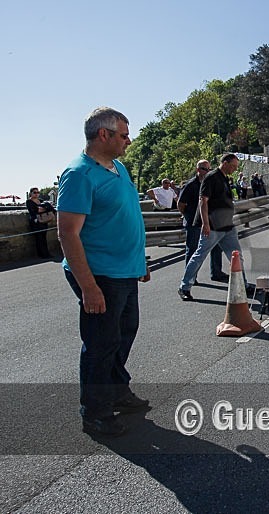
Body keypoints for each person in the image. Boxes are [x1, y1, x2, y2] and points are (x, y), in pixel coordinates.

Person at [57, 107, 151, 437]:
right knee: (101, 342)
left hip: (125, 270)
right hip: (100, 274)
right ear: (104, 135)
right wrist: (88, 287)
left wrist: (139, 261)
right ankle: (95, 412)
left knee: (125, 331)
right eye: (124, 135)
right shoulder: (79, 174)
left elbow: (125, 217)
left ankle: (116, 390)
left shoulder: (118, 168)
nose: (129, 140)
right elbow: (68, 232)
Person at [178, 153, 253, 300]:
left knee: (237, 257)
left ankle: (243, 284)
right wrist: (205, 223)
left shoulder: (224, 178)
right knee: (199, 256)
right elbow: (203, 201)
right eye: (233, 166)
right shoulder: (211, 177)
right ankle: (184, 287)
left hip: (227, 225)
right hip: (212, 226)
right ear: (225, 163)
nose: (234, 169)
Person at [177, 160, 227, 282]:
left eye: (209, 169)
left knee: (216, 247)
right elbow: (180, 204)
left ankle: (216, 272)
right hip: (194, 223)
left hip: (209, 220)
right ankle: (190, 277)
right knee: (193, 250)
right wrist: (187, 215)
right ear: (198, 170)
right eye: (205, 169)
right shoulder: (190, 185)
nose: (208, 172)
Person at [26, 187, 54, 258]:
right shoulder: (29, 201)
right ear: (31, 193)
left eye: (37, 192)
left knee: (44, 238)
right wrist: (43, 208)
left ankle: (46, 253)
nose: (36, 194)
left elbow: (48, 209)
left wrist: (42, 209)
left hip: (44, 221)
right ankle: (42, 254)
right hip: (36, 222)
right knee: (39, 238)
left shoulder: (41, 200)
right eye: (34, 192)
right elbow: (34, 210)